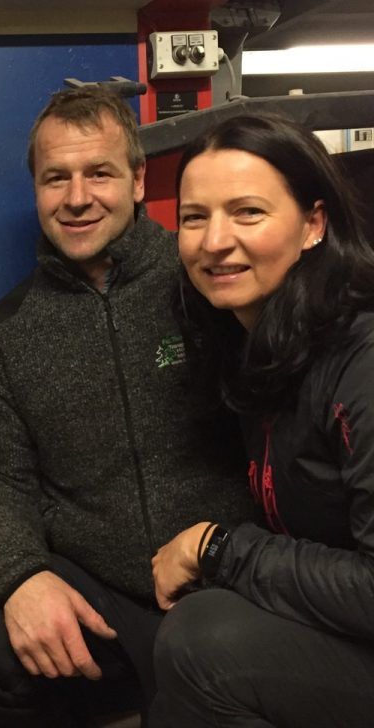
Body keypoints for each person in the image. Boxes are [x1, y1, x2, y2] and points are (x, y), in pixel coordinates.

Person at [0, 86, 255, 727]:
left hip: (224, 578)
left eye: (98, 172)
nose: (77, 198)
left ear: (136, 180)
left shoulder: (211, 285)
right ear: (36, 190)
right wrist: (21, 579)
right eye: (56, 178)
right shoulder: (6, 333)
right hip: (103, 596)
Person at [150, 113, 374, 727]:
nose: (215, 240)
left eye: (248, 212)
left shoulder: (361, 358)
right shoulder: (258, 342)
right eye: (195, 217)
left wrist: (219, 550)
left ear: (313, 225)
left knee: (203, 642)